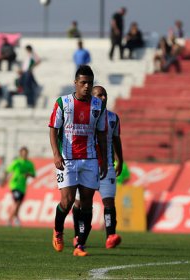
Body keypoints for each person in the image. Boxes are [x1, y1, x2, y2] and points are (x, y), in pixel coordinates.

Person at [49, 65, 107, 257]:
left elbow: (101, 134)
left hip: (90, 159)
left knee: (87, 203)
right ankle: (58, 232)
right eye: (83, 83)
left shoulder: (98, 105)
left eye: (90, 83)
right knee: (66, 202)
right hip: (67, 159)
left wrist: (104, 160)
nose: (87, 86)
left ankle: (80, 245)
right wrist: (56, 154)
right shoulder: (63, 103)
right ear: (75, 83)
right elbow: (53, 129)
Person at [72, 86, 123, 249]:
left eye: (104, 95)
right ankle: (77, 235)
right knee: (80, 204)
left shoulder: (113, 118)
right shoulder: (84, 116)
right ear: (92, 98)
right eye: (99, 95)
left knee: (109, 202)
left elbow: (116, 140)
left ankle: (110, 236)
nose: (103, 98)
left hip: (106, 166)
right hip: (86, 166)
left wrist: (119, 159)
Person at [1, 146, 36, 226]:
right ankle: (9, 220)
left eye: (26, 153)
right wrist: (4, 181)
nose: (24, 155)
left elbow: (33, 174)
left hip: (23, 186)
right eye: (23, 153)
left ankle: (16, 218)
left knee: (19, 203)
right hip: (15, 184)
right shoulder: (17, 162)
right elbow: (7, 171)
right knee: (17, 202)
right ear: (20, 154)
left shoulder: (29, 164)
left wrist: (28, 174)